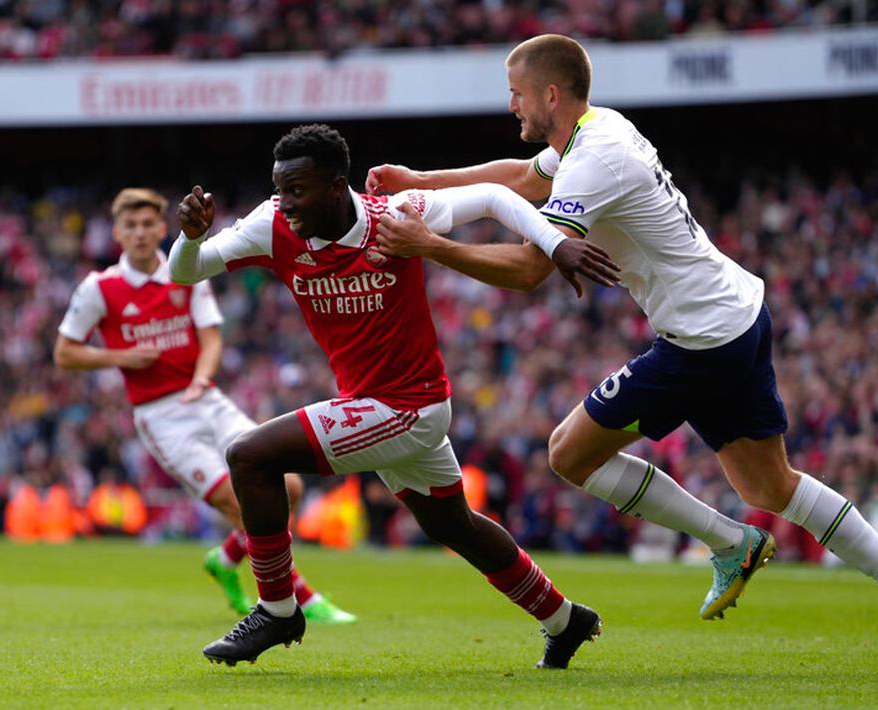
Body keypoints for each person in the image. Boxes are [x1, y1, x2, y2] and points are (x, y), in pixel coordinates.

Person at [364, 34, 878, 673]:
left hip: (701, 339)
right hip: (737, 315)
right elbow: (518, 179)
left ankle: (731, 544)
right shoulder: (597, 130)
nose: (511, 107)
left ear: (550, 94)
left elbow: (529, 269)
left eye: (516, 94)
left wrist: (427, 245)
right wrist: (423, 180)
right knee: (768, 484)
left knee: (569, 453)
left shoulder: (594, 159)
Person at [170, 124, 616, 668]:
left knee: (249, 455)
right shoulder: (271, 225)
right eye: (279, 189)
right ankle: (565, 619)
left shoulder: (398, 216)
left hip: (409, 406)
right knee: (454, 526)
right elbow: (185, 272)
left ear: (338, 187)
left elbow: (496, 197)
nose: (285, 204)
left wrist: (555, 242)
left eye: (297, 191)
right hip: (380, 406)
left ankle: (278, 609)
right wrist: (190, 237)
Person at [55, 187, 356, 624]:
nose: (140, 233)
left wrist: (201, 377)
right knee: (240, 502)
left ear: (161, 229)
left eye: (147, 225)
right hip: (162, 416)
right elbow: (65, 352)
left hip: (206, 399)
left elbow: (211, 337)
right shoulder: (100, 288)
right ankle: (303, 598)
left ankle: (226, 557)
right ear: (117, 233)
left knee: (288, 486)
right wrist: (120, 357)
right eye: (130, 226)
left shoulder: (185, 273)